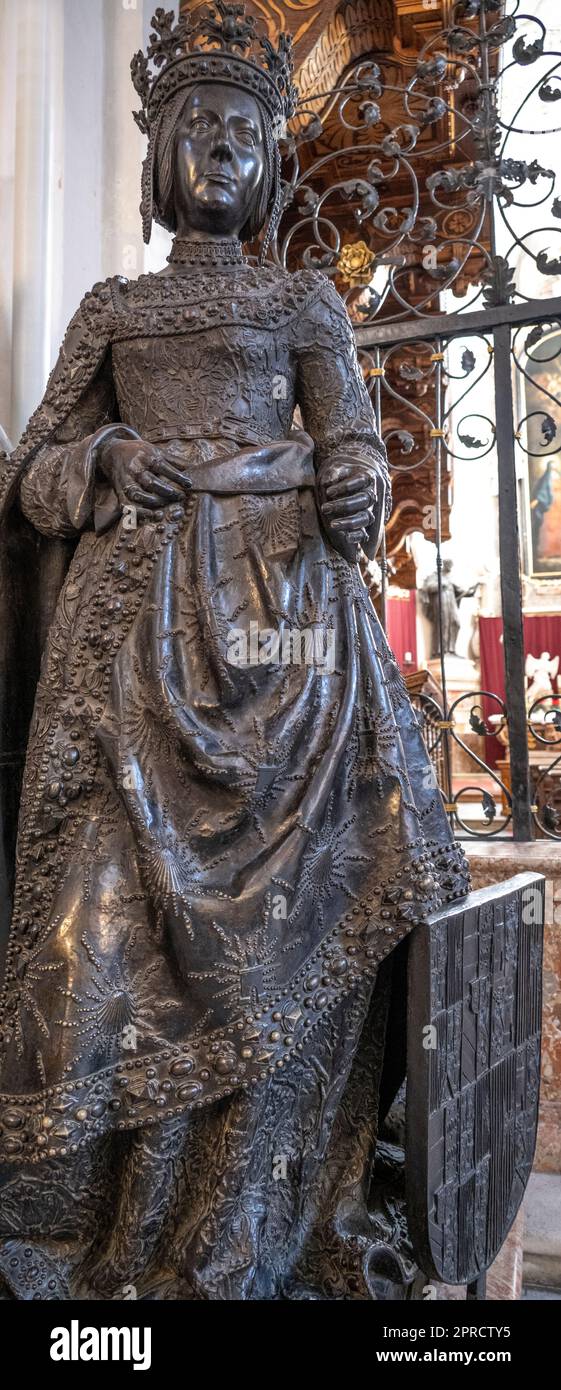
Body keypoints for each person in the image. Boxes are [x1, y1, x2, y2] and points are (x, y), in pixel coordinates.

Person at [0, 5, 468, 1300]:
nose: (218, 144)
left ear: (269, 161)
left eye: (242, 130)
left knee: (310, 892)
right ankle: (101, 1206)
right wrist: (105, 456)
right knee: (102, 920)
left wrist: (356, 482)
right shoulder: (113, 308)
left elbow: (353, 440)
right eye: (195, 124)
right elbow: (31, 468)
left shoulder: (303, 299)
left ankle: (246, 1208)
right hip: (135, 637)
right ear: (160, 155)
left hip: (288, 634)